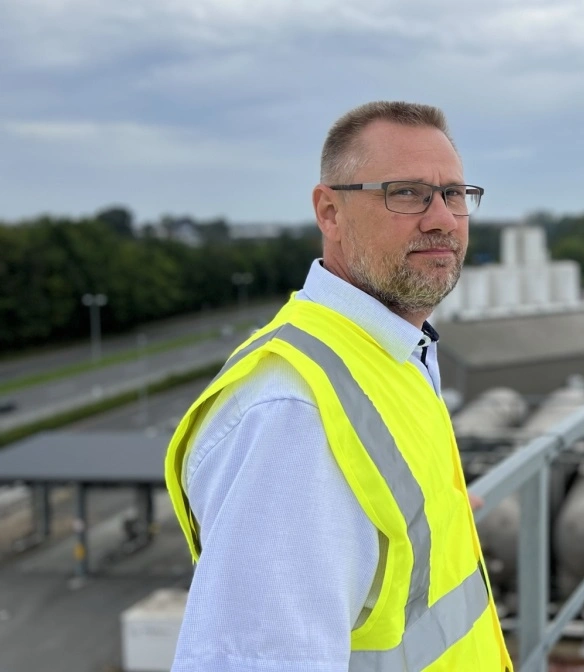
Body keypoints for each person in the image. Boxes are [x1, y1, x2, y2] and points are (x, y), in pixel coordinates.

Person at [164, 101, 513, 671]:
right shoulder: (293, 414)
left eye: (453, 194)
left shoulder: (391, 352)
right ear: (330, 212)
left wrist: (443, 512)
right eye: (406, 193)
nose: (442, 219)